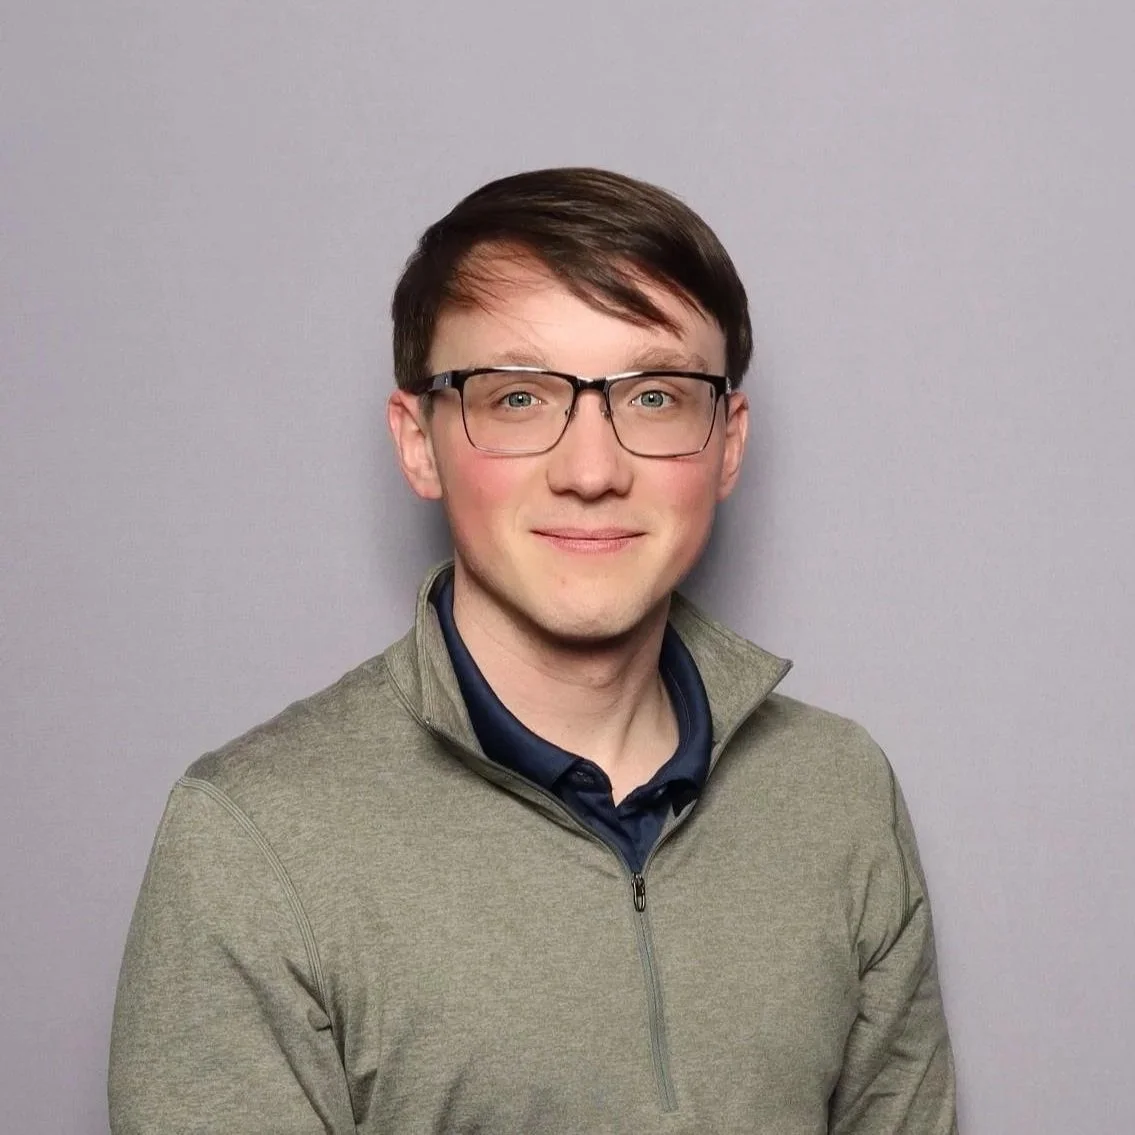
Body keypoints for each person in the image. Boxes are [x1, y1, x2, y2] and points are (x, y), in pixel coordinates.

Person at [109, 167, 957, 1133]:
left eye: (653, 397)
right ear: (419, 442)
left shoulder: (837, 791)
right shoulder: (252, 841)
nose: (590, 471)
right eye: (516, 398)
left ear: (726, 443)